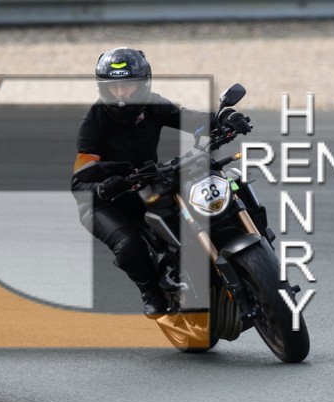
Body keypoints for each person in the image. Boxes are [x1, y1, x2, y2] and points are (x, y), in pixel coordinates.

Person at [71, 47, 251, 317]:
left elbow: (189, 119)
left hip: (144, 183)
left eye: (128, 86)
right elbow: (79, 181)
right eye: (113, 88)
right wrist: (103, 187)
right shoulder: (93, 122)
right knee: (128, 244)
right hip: (104, 201)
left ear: (144, 84)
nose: (120, 94)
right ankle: (150, 291)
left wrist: (222, 119)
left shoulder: (153, 104)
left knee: (214, 194)